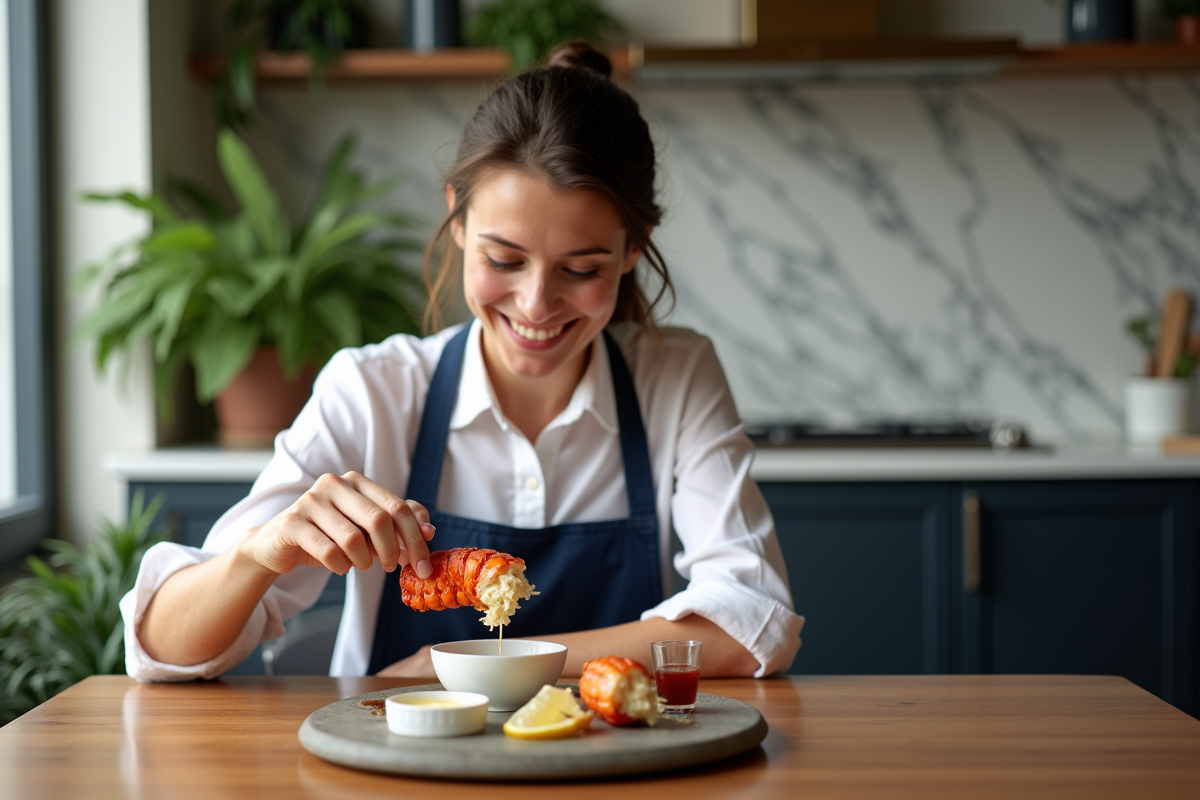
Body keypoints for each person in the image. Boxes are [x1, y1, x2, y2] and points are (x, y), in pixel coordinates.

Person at [121, 42, 803, 681]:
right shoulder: (373, 390)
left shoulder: (675, 378)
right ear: (457, 221)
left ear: (633, 249)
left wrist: (469, 661)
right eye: (504, 260)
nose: (536, 303)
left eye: (582, 267)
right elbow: (160, 651)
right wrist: (258, 553)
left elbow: (751, 624)